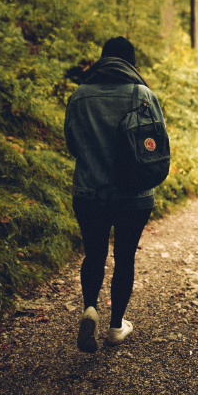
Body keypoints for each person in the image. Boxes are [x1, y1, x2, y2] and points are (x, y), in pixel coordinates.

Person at [64, 36, 156, 353]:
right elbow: (158, 142)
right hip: (135, 195)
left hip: (89, 192)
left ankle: (91, 307)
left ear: (102, 59)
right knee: (125, 257)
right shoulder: (142, 94)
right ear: (131, 63)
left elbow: (72, 145)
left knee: (94, 254)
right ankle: (116, 326)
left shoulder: (79, 95)